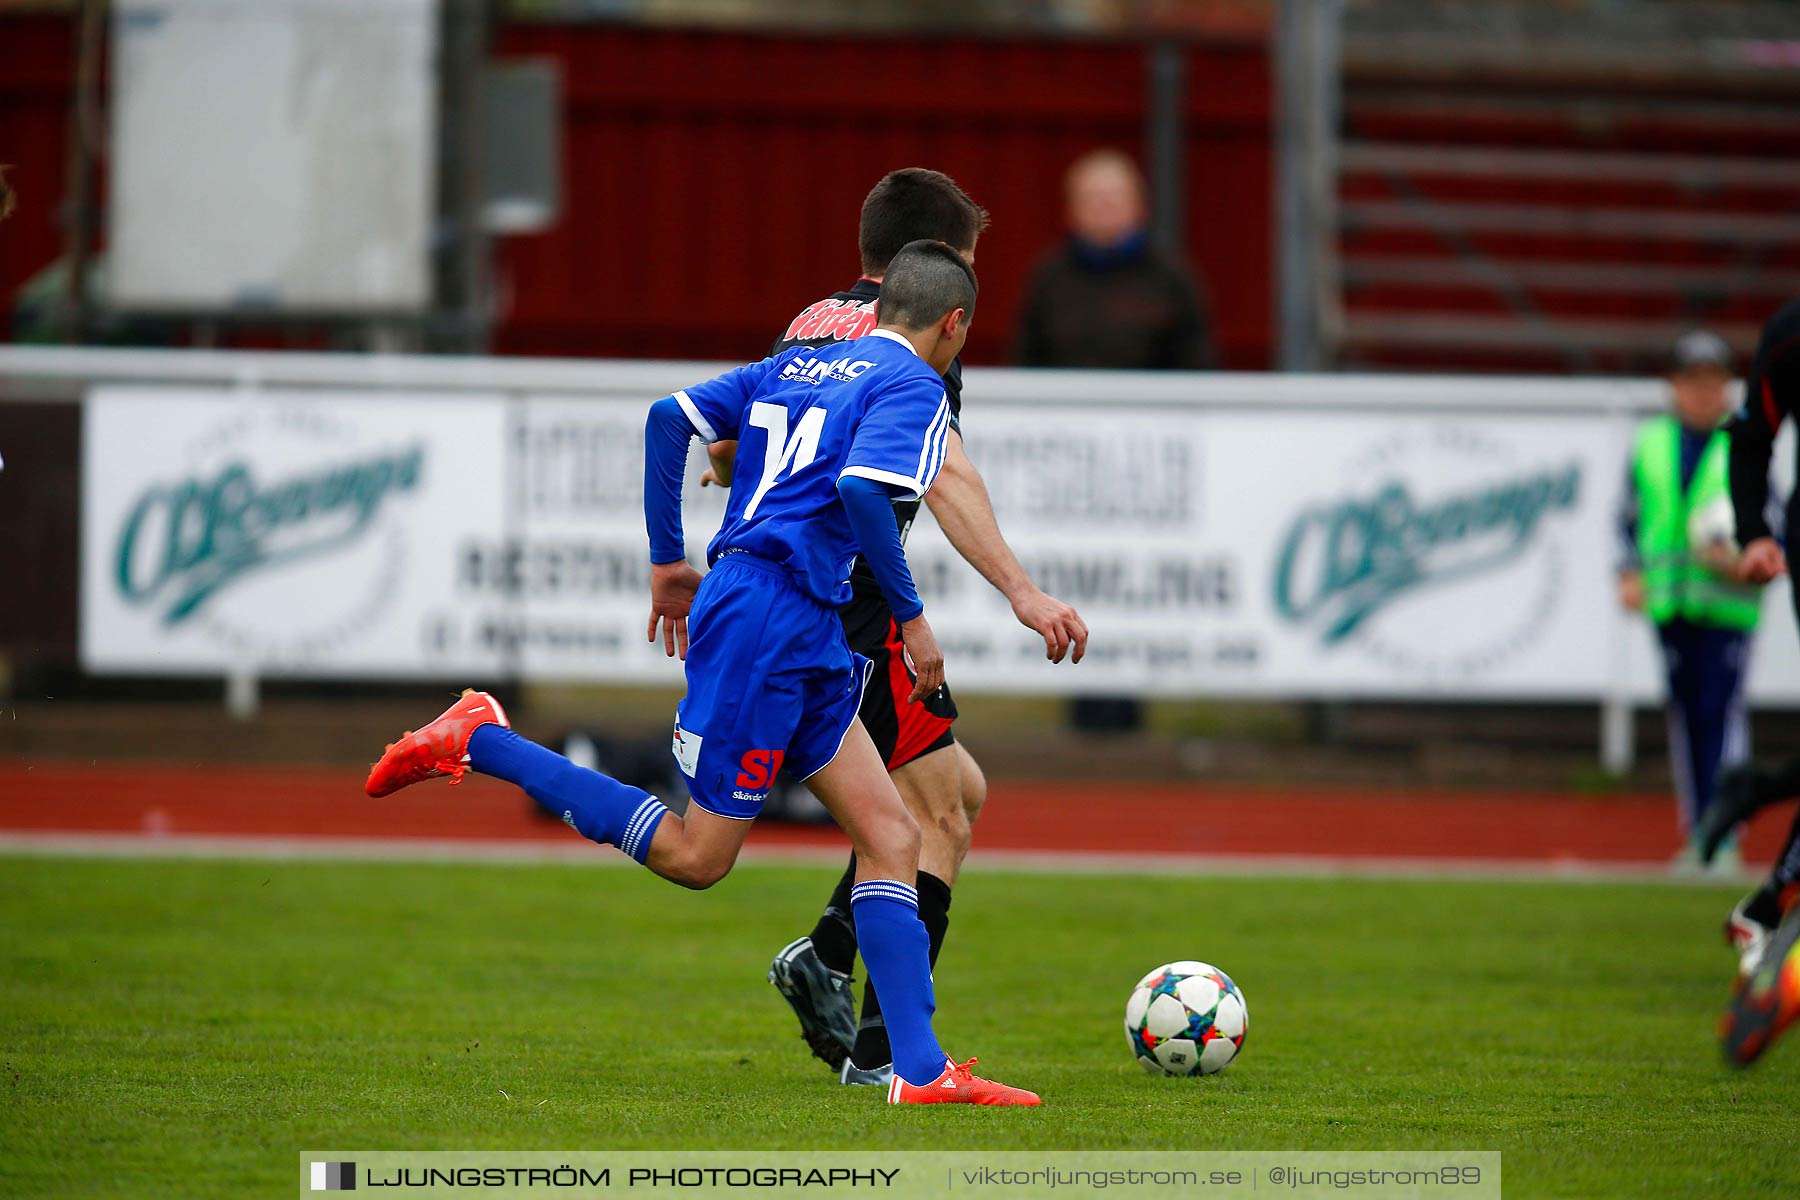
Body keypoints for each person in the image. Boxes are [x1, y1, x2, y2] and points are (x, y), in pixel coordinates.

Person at [364, 240, 1040, 1106]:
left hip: (796, 616)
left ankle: (917, 1071)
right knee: (696, 858)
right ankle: (481, 739)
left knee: (894, 837)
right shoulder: (909, 384)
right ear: (954, 324)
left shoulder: (802, 363)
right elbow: (872, 495)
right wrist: (911, 619)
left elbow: (667, 418)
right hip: (770, 618)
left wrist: (663, 561)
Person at [707, 168, 1089, 1086]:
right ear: (940, 262)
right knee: (938, 817)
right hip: (853, 619)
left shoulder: (812, 322)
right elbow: (947, 475)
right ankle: (882, 1056)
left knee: (959, 790)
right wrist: (1022, 592)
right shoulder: (919, 345)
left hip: (784, 599)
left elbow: (727, 451)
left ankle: (828, 957)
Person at [1616, 330, 1763, 874]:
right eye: (1692, 382)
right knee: (1686, 717)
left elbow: (1767, 527)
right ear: (1673, 387)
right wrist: (1627, 573)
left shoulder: (1747, 443)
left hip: (1726, 606)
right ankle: (1698, 829)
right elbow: (1629, 517)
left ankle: (1725, 833)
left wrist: (1742, 556)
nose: (1703, 393)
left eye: (1713, 382)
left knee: (1719, 714)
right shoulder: (1652, 442)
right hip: (1670, 602)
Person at [1707, 295, 1800, 1066]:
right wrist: (1755, 531)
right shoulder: (1791, 334)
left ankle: (1767, 910)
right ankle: (1770, 941)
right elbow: (1751, 437)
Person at [1015, 148, 1214, 371]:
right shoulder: (1049, 278)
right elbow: (1025, 363)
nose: (1102, 209)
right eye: (1091, 199)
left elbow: (1198, 368)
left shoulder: (1171, 279)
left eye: (1113, 199)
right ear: (1070, 210)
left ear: (1140, 206)